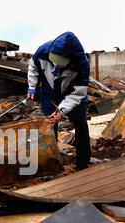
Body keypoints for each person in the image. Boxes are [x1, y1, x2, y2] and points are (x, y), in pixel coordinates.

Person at [27, 31, 91, 171]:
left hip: (72, 93)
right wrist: (32, 87)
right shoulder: (43, 50)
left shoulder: (82, 65)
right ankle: (52, 163)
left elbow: (78, 92)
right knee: (49, 124)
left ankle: (82, 163)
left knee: (80, 122)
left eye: (60, 62)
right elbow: (33, 66)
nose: (56, 64)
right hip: (50, 92)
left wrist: (62, 111)